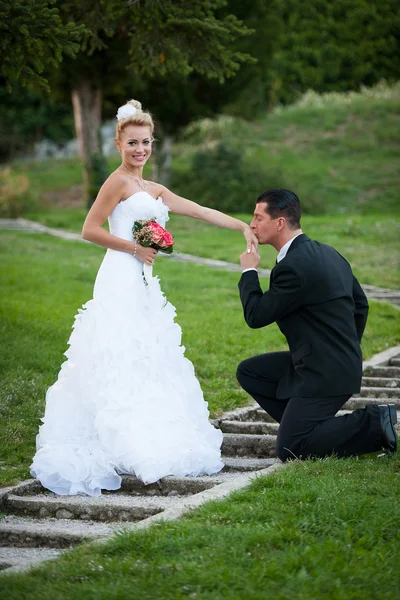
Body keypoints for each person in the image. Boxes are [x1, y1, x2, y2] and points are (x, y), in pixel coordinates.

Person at [31, 99, 258, 496]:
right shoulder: (117, 182)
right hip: (120, 274)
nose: (140, 149)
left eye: (146, 142)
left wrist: (242, 226)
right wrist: (133, 248)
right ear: (119, 143)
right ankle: (114, 436)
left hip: (144, 281)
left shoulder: (153, 189)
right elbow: (89, 229)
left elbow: (200, 211)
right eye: (133, 142)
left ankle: (147, 431)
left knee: (149, 353)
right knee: (121, 350)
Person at [236, 188, 397, 461]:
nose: (252, 225)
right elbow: (361, 304)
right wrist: (344, 348)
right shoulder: (328, 252)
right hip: (328, 363)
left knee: (292, 449)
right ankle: (308, 425)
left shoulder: (293, 267)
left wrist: (249, 270)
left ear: (279, 223)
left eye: (257, 218)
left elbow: (256, 315)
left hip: (325, 372)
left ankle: (373, 422)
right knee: (251, 372)